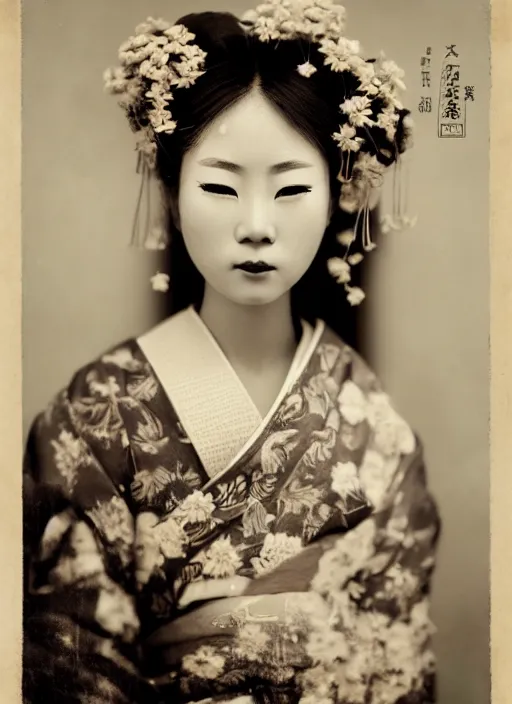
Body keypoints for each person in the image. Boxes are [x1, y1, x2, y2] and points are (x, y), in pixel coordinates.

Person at [22, 2, 441, 703]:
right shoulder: (95, 417)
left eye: (291, 189)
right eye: (219, 186)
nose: (255, 225)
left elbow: (397, 664)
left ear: (339, 196)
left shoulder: (380, 436)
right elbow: (71, 661)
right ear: (171, 188)